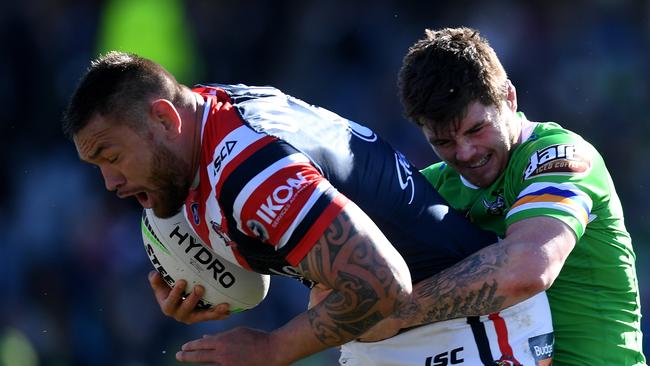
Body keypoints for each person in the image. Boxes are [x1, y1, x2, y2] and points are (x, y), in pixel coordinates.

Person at [63, 51, 553, 366]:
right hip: (397, 335)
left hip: (466, 333)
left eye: (112, 155)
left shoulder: (254, 172)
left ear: (164, 119)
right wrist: (216, 285)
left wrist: (273, 348)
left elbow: (383, 283)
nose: (111, 182)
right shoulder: (214, 111)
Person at [378, 27, 645, 365]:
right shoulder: (430, 188)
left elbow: (528, 270)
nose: (465, 153)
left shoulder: (560, 155)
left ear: (509, 97)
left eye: (476, 129)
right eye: (443, 142)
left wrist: (399, 312)